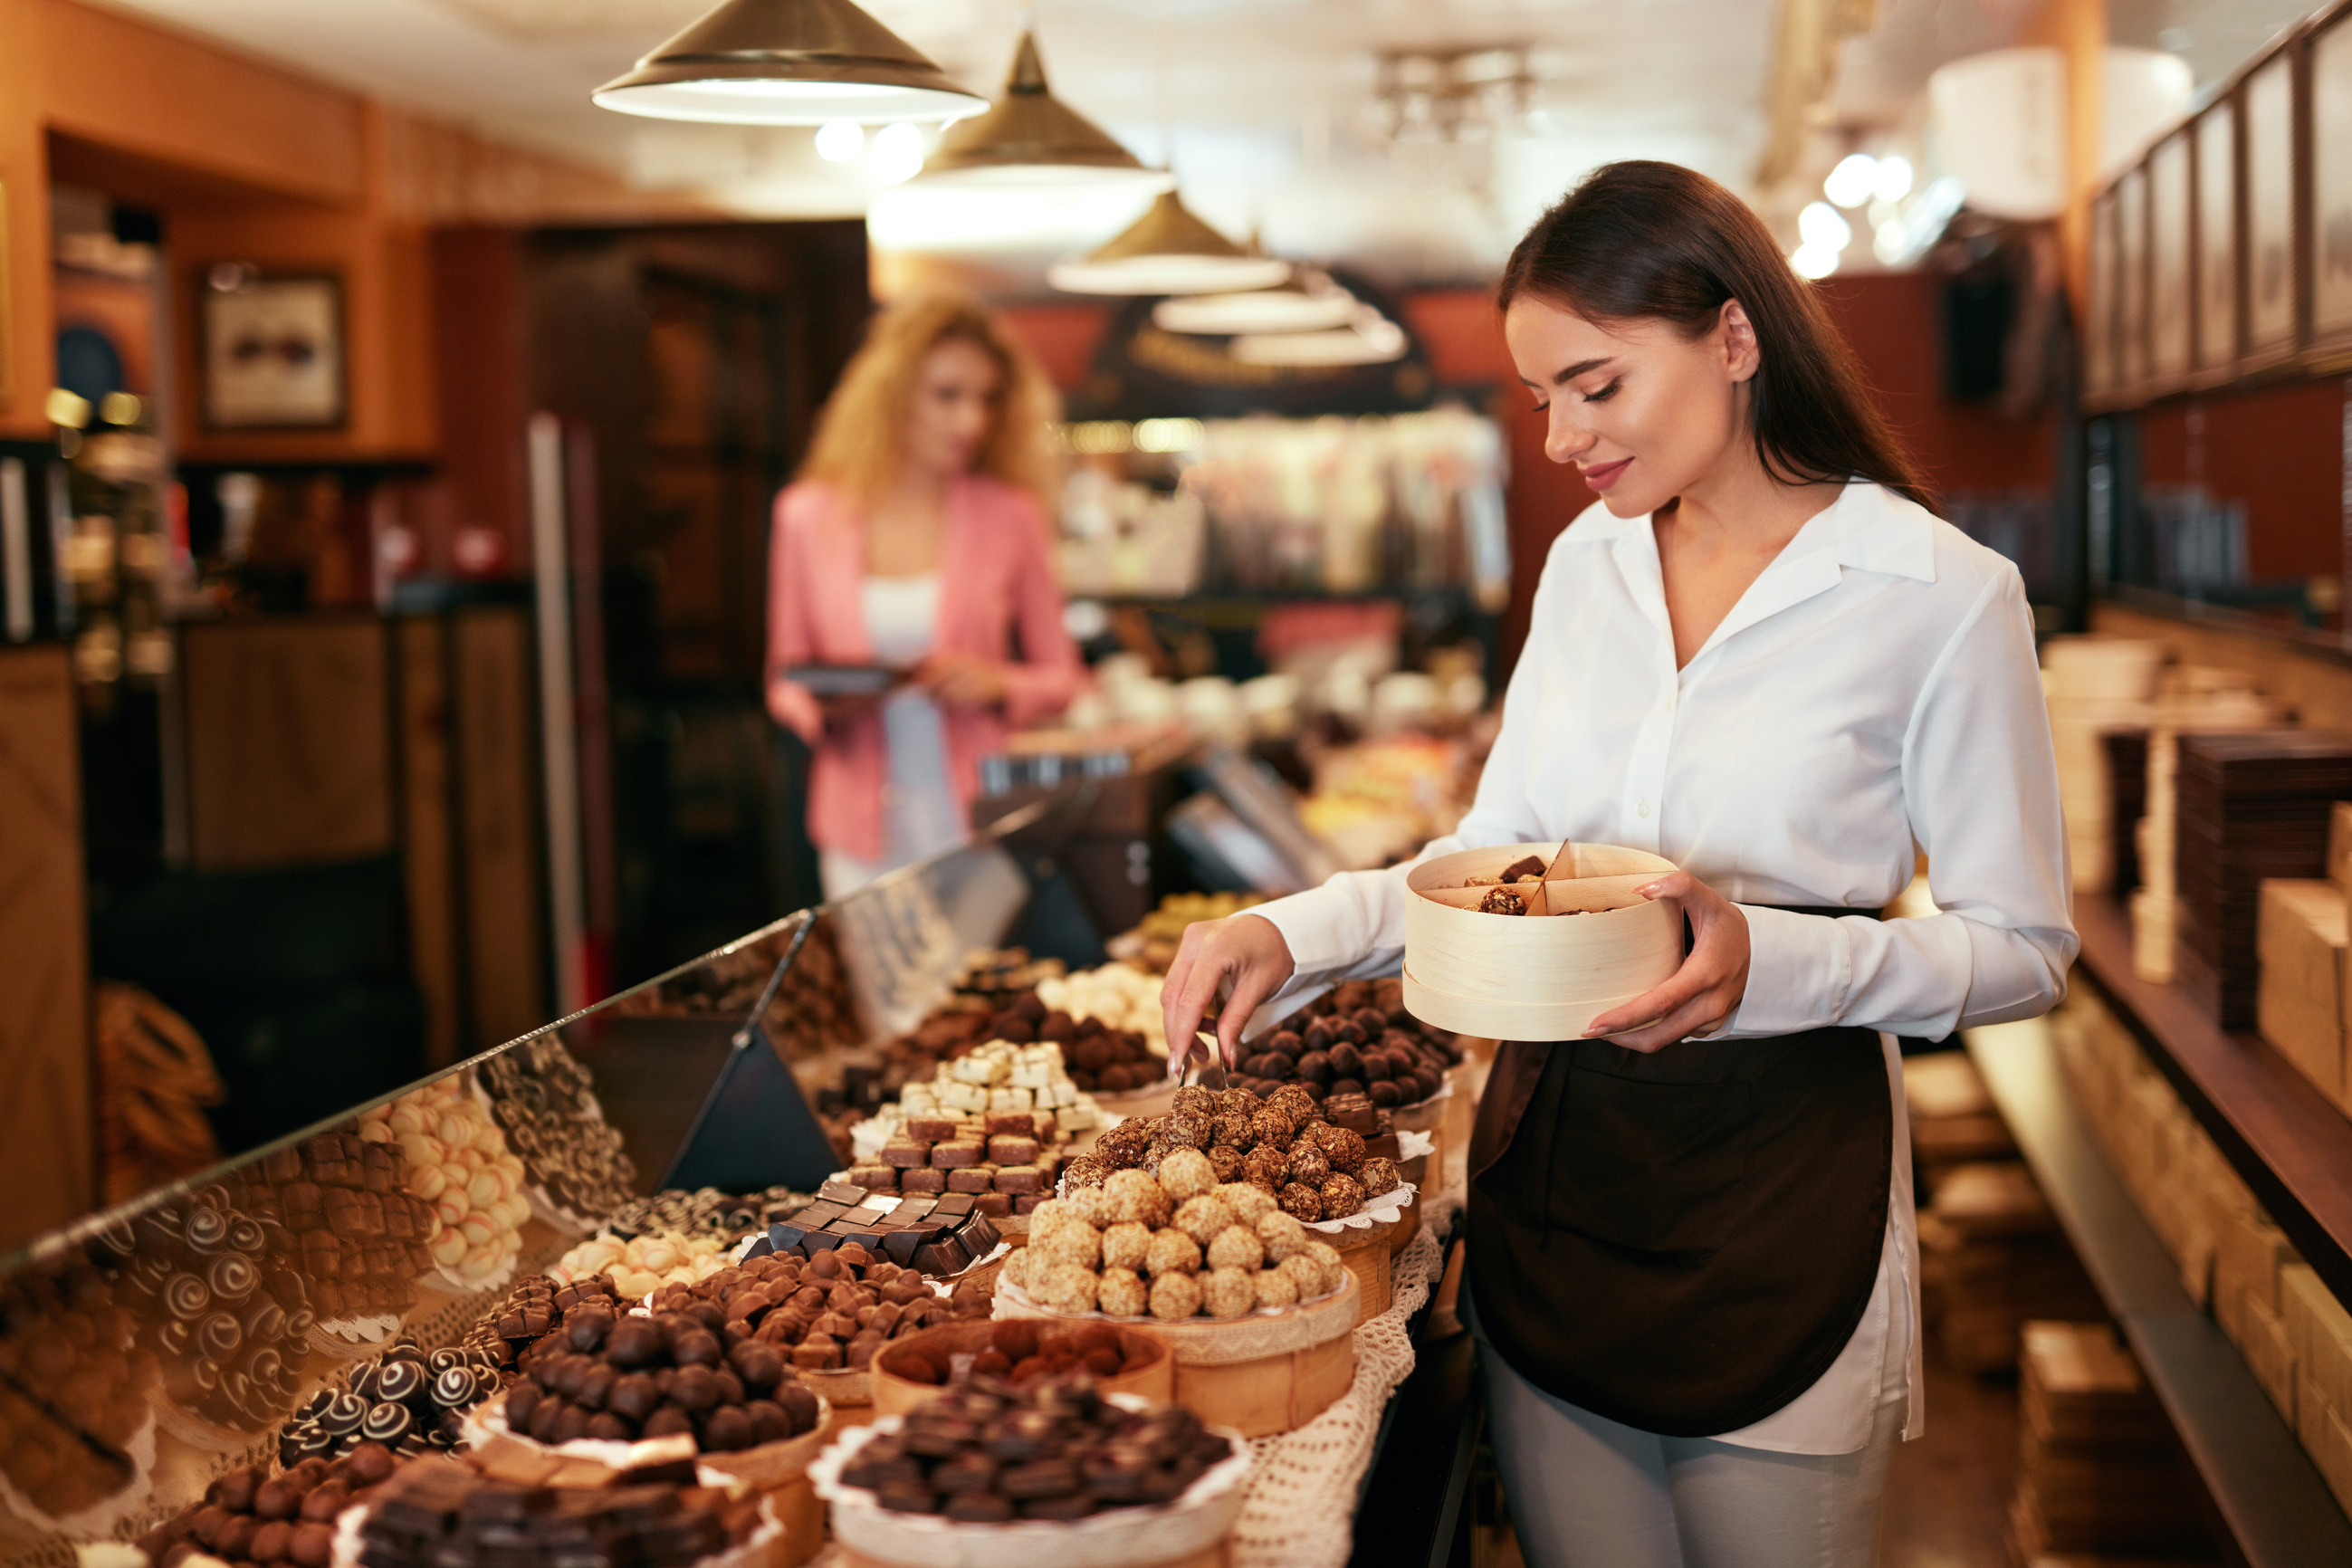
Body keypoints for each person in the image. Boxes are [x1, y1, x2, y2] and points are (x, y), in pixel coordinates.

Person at [1161, 162, 2075, 1567]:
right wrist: (1298, 930)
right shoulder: (1586, 567)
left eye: (1595, 386)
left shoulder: (1940, 597)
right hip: (1558, 1169)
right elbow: (1493, 856)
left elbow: (2020, 948)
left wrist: (1763, 955)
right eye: (1541, 400)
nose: (1561, 438)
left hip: (1783, 1191)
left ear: (1731, 337)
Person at [767, 293, 1084, 899]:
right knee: (889, 996)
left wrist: (995, 683)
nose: (971, 421)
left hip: (979, 825)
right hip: (858, 828)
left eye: (987, 399)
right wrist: (827, 707)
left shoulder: (1009, 516)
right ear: (892, 396)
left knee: (978, 993)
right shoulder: (807, 517)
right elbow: (784, 678)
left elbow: (1062, 678)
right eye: (947, 396)